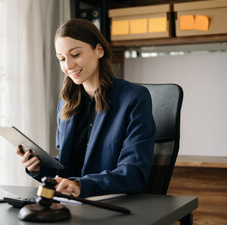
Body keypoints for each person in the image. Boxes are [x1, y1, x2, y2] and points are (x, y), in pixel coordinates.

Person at [17, 18, 156, 198]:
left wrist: (81, 185)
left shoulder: (135, 98)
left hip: (110, 204)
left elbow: (133, 173)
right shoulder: (66, 102)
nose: (68, 65)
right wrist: (38, 167)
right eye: (62, 58)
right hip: (69, 202)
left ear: (99, 50)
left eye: (75, 54)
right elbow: (67, 166)